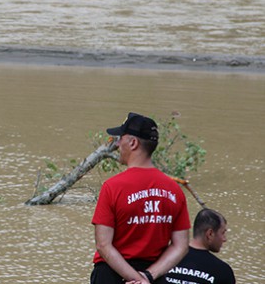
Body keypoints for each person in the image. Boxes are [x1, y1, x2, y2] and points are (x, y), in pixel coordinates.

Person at [91, 112, 191, 284]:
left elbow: (103, 245)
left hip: (112, 274)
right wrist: (148, 277)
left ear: (133, 142)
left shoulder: (112, 187)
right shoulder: (175, 190)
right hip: (154, 275)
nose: (117, 143)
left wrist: (135, 279)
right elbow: (180, 246)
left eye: (120, 138)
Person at [165, 209, 236, 284]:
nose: (224, 239)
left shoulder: (163, 259)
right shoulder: (222, 271)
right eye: (223, 233)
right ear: (210, 234)